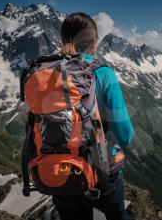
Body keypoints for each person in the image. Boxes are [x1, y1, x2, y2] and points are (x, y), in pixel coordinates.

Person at [50, 12, 134, 220]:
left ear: (63, 40)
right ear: (95, 41)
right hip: (101, 172)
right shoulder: (104, 74)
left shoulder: (46, 75)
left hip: (59, 172)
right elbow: (125, 135)